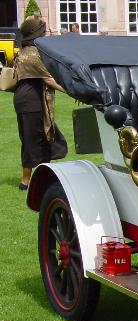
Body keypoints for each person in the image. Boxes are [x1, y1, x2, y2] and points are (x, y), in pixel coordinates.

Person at [13, 16, 67, 190]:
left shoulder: (27, 51)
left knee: (46, 137)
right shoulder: (32, 54)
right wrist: (72, 91)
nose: (46, 35)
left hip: (29, 99)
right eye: (43, 32)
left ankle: (44, 175)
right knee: (32, 139)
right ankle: (26, 180)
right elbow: (49, 79)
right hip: (31, 101)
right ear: (36, 34)